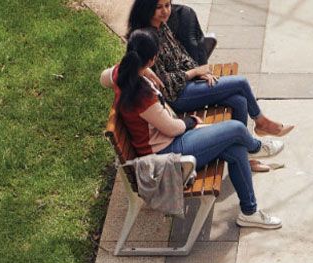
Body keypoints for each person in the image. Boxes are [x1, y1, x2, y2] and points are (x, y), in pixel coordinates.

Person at [100, 28, 283, 229]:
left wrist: (145, 71)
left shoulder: (121, 74)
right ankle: (256, 148)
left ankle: (249, 212)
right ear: (152, 60)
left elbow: (103, 77)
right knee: (237, 129)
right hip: (168, 155)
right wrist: (191, 122)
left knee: (236, 149)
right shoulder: (143, 97)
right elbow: (172, 129)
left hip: (166, 144)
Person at [126, 0, 292, 137]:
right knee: (241, 83)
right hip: (177, 97)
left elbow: (181, 55)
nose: (165, 11)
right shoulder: (146, 39)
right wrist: (194, 72)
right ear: (147, 8)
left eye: (167, 5)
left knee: (239, 101)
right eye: (159, 7)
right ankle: (261, 123)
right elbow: (164, 83)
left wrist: (200, 73)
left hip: (187, 85)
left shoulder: (161, 26)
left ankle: (245, 150)